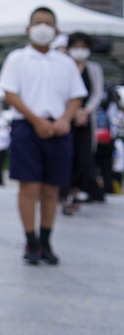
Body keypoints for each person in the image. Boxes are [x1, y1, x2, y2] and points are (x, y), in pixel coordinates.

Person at [0, 7, 87, 265]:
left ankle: (46, 240)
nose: (43, 27)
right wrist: (36, 120)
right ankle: (30, 241)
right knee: (29, 186)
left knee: (51, 188)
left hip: (58, 129)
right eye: (38, 22)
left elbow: (76, 96)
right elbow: (10, 93)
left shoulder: (66, 62)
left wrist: (64, 120)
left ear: (57, 31)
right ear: (28, 29)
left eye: (48, 23)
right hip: (27, 127)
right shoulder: (17, 58)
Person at [60, 32, 104, 213]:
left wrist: (85, 111)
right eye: (76, 47)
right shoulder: (64, 66)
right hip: (66, 119)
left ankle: (76, 191)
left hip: (85, 120)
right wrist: (71, 112)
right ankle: (64, 194)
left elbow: (97, 93)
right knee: (65, 156)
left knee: (83, 158)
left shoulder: (94, 69)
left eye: (84, 47)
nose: (80, 51)